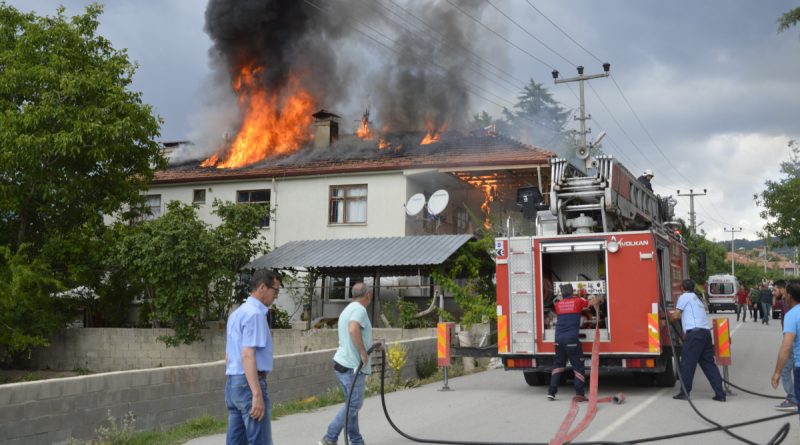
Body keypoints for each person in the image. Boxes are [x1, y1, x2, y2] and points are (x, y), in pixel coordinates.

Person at [225, 269, 281, 445]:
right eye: (275, 290)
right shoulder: (255, 315)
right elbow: (248, 354)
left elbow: (228, 355)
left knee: (236, 441)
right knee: (260, 440)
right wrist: (256, 394)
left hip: (234, 383)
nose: (276, 296)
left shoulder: (237, 314)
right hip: (250, 384)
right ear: (262, 287)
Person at [320, 282, 380, 445]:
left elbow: (356, 332)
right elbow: (353, 330)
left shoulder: (349, 308)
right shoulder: (360, 309)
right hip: (352, 366)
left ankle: (356, 440)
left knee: (350, 405)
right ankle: (329, 438)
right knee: (354, 404)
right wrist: (362, 352)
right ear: (368, 294)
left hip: (342, 363)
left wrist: (371, 345)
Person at [669, 279, 726, 402]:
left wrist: (670, 319)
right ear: (694, 288)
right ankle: (720, 394)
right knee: (708, 365)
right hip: (705, 334)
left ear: (682, 288)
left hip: (694, 335)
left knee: (687, 364)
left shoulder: (684, 296)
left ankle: (684, 392)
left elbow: (677, 315)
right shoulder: (697, 298)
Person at [547, 283, 604, 401]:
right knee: (578, 367)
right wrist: (600, 298)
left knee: (558, 366)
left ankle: (551, 392)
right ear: (572, 292)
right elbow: (591, 303)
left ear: (562, 294)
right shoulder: (578, 301)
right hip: (572, 340)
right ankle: (580, 394)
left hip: (558, 341)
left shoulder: (558, 305)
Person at [771, 280, 800, 416]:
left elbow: (786, 346)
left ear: (790, 296)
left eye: (786, 294)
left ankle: (793, 399)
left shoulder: (792, 315)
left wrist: (777, 372)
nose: (784, 297)